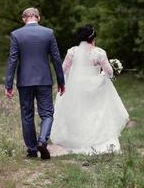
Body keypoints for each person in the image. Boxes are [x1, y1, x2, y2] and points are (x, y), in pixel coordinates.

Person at [50, 25, 129, 154]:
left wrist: (71, 78)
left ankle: (78, 140)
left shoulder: (72, 51)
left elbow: (62, 70)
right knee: (95, 112)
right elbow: (109, 72)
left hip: (76, 88)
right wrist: (105, 73)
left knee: (80, 112)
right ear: (93, 37)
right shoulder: (99, 52)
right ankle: (97, 142)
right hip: (95, 87)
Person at [4, 7, 65, 159]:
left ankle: (32, 150)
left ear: (24, 19)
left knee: (27, 115)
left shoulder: (16, 34)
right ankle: (43, 141)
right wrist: (61, 81)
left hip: (24, 81)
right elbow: (56, 59)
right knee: (47, 113)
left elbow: (12, 61)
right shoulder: (48, 33)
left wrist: (8, 84)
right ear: (38, 18)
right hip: (44, 80)